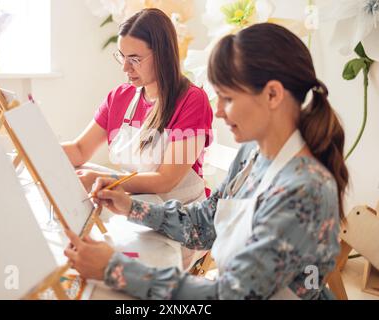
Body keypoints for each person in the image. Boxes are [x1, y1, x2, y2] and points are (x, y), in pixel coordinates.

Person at [64, 23, 349, 300]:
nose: (219, 112)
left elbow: (229, 295)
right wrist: (131, 207)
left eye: (227, 98)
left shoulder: (304, 190)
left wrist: (114, 269)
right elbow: (204, 225)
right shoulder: (252, 153)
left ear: (273, 94)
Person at [62, 8, 213, 206]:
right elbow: (80, 149)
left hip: (180, 214)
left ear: (162, 55)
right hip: (138, 205)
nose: (125, 67)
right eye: (122, 56)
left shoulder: (191, 101)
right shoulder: (119, 97)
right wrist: (36, 153)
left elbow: (166, 180)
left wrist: (102, 180)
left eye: (134, 59)